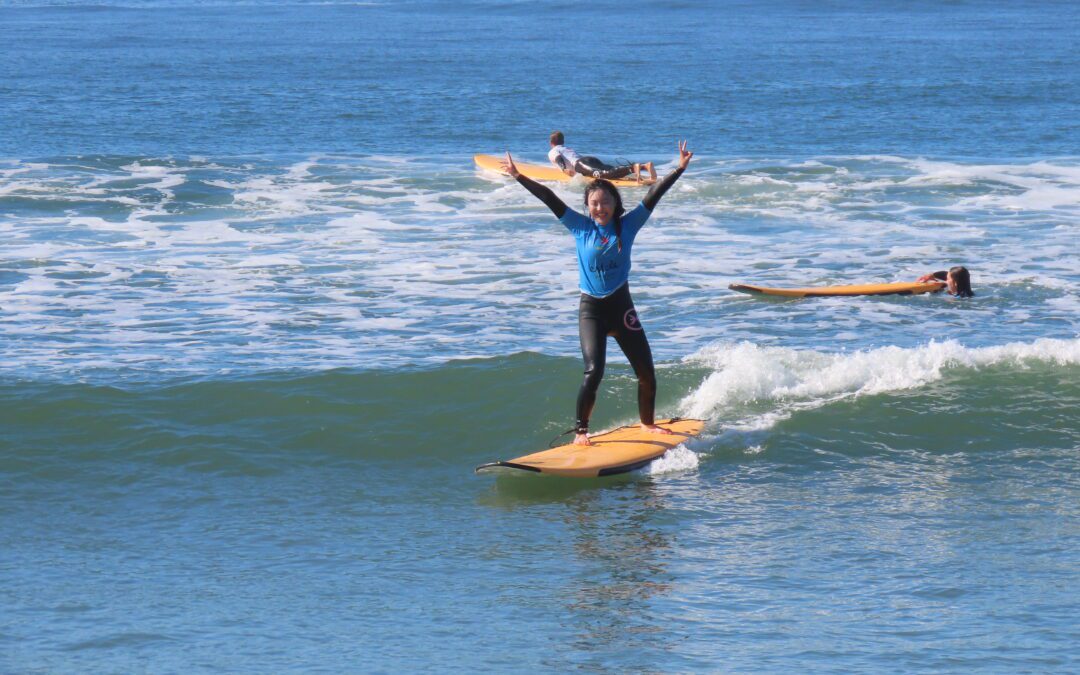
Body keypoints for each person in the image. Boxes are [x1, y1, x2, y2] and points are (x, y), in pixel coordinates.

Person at [504, 141, 693, 446]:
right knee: (593, 372)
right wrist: (518, 176)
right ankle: (581, 432)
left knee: (646, 372)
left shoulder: (628, 225)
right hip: (591, 310)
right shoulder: (580, 227)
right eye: (594, 203)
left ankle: (648, 424)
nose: (600, 207)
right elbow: (549, 198)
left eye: (605, 202)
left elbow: (653, 195)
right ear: (588, 206)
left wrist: (679, 169)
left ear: (615, 204)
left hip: (621, 306)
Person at [548, 131, 658, 184]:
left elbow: (558, 159)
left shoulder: (553, 150)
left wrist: (564, 169)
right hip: (588, 159)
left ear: (551, 142)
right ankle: (644, 167)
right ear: (563, 141)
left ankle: (634, 167)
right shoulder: (566, 148)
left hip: (580, 165)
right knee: (608, 169)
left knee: (604, 175)